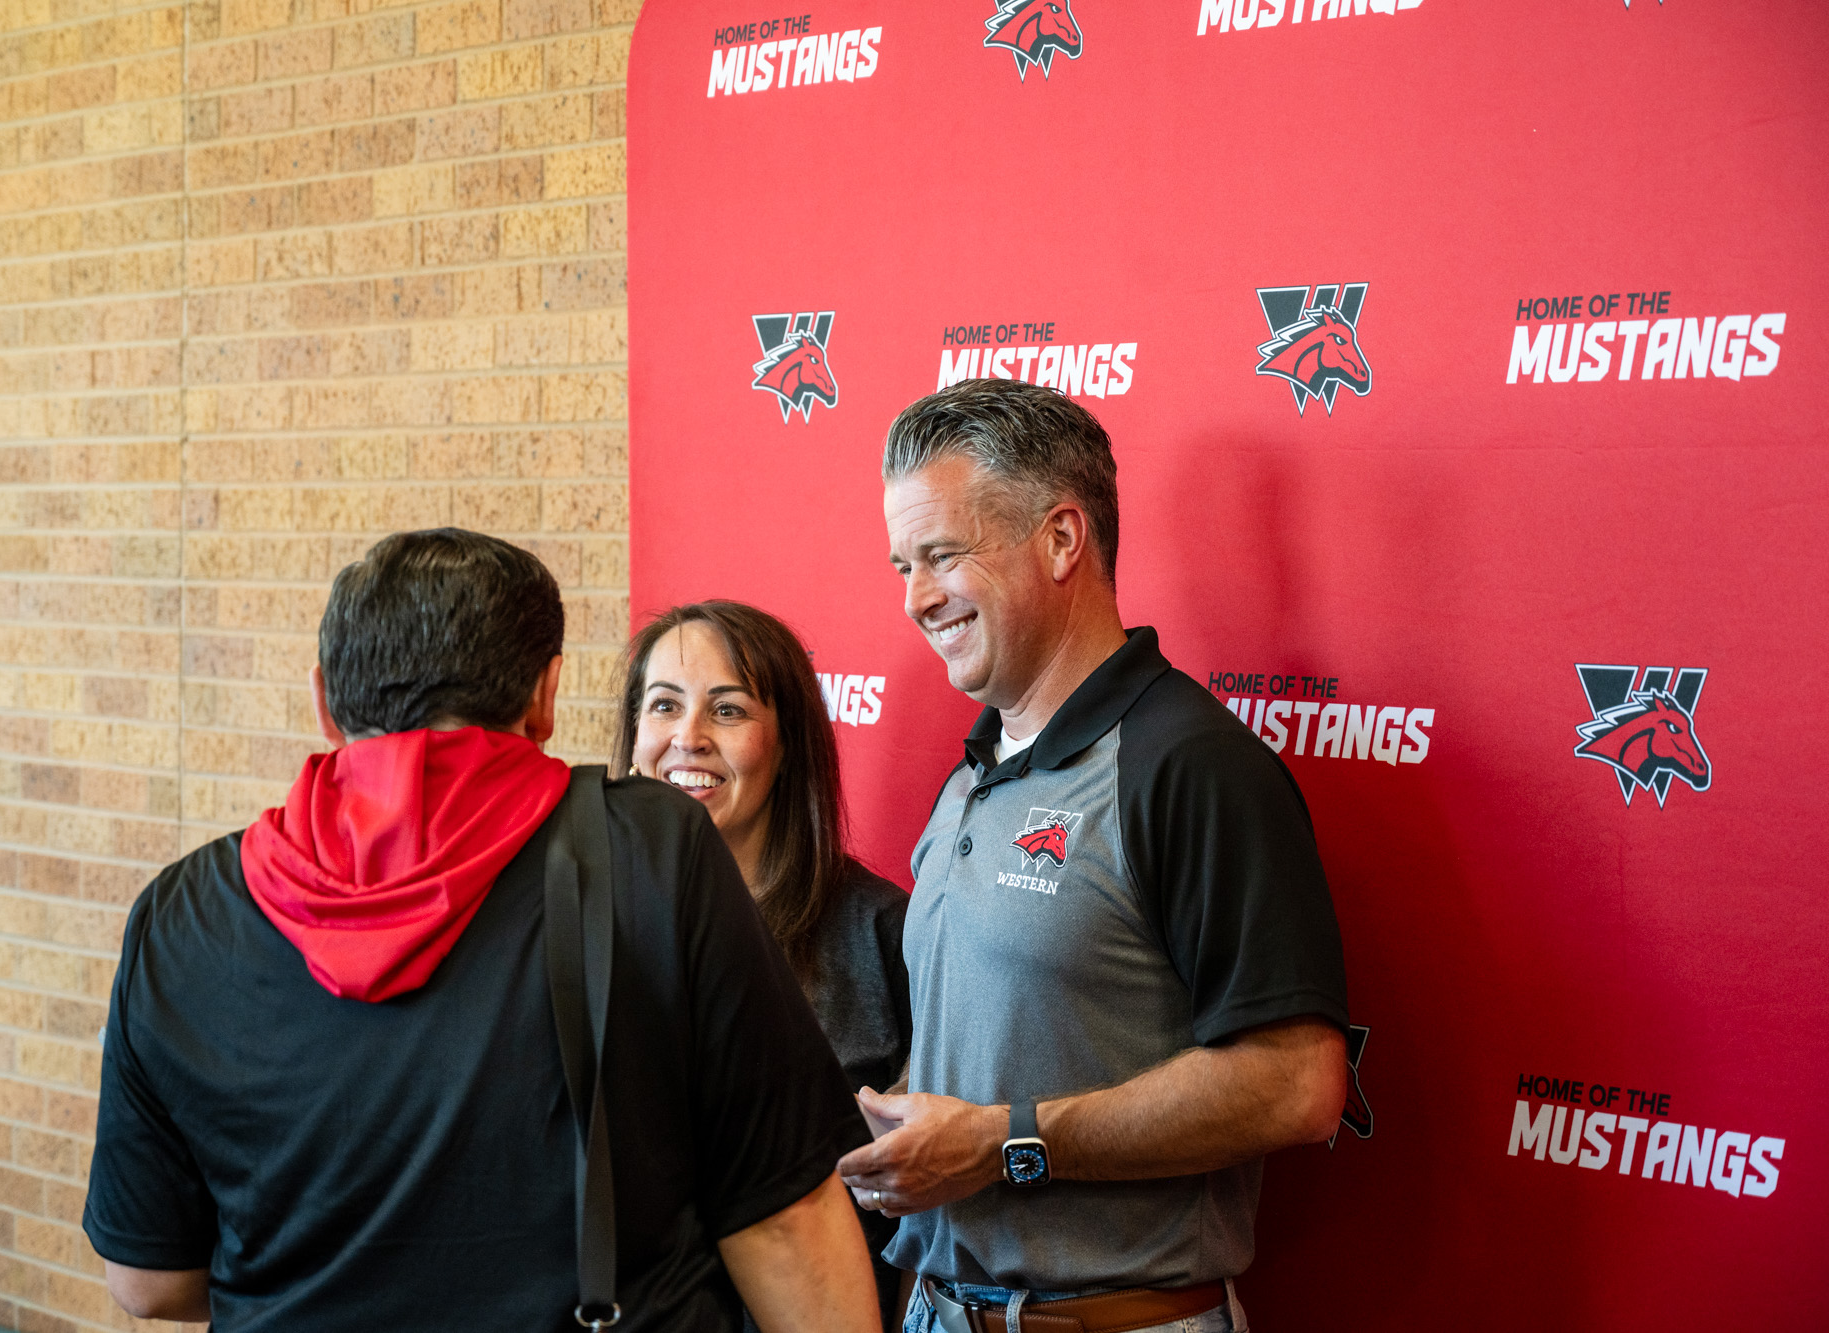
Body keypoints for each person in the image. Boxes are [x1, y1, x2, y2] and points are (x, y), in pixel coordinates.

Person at [82, 529, 882, 1333]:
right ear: (545, 692)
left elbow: (149, 1280)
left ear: (325, 701)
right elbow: (785, 1223)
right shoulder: (651, 850)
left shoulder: (178, 913)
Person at [836, 382, 1350, 1333]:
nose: (914, 598)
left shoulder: (1188, 764)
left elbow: (1299, 1083)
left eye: (943, 555)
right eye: (903, 564)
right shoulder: (972, 772)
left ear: (1063, 539)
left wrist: (1004, 1144)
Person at [616, 601, 914, 1326]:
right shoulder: (579, 920)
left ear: (788, 744)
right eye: (664, 705)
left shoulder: (881, 931)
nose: (687, 738)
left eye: (728, 710)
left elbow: (924, 1209)